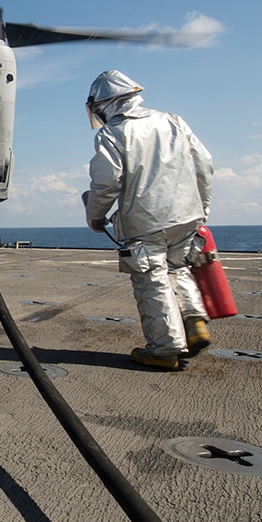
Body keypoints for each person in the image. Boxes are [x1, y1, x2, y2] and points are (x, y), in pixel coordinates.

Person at [83, 69, 214, 371]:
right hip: (187, 213)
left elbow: (107, 182)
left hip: (146, 219)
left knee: (151, 279)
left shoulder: (112, 132)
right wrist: (202, 208)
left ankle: (165, 348)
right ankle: (195, 322)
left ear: (105, 104)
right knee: (178, 268)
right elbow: (204, 164)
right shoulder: (173, 120)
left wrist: (95, 215)